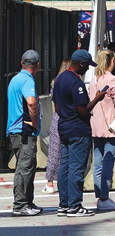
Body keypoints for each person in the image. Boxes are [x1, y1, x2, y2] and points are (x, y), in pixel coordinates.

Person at [52, 49, 108, 217]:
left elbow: (56, 106)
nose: (87, 70)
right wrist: (97, 98)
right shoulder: (76, 83)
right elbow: (83, 111)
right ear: (80, 64)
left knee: (65, 167)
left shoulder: (60, 79)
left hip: (64, 127)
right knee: (77, 168)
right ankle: (75, 206)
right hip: (78, 129)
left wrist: (66, 115)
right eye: (86, 66)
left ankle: (64, 204)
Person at [89, 49, 115, 211]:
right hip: (112, 126)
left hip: (96, 124)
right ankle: (104, 197)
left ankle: (100, 196)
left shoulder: (93, 79)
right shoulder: (113, 80)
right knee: (108, 162)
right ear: (111, 61)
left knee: (97, 163)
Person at [7, 49, 42, 216]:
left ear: (22, 63)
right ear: (37, 65)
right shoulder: (27, 80)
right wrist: (35, 123)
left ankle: (27, 202)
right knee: (25, 168)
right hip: (24, 130)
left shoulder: (15, 79)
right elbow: (31, 102)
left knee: (26, 167)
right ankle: (21, 205)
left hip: (15, 129)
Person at [43, 57, 71, 197]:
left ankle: (49, 183)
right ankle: (64, 181)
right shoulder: (72, 83)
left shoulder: (55, 83)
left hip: (57, 118)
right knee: (67, 152)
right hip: (69, 118)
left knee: (54, 151)